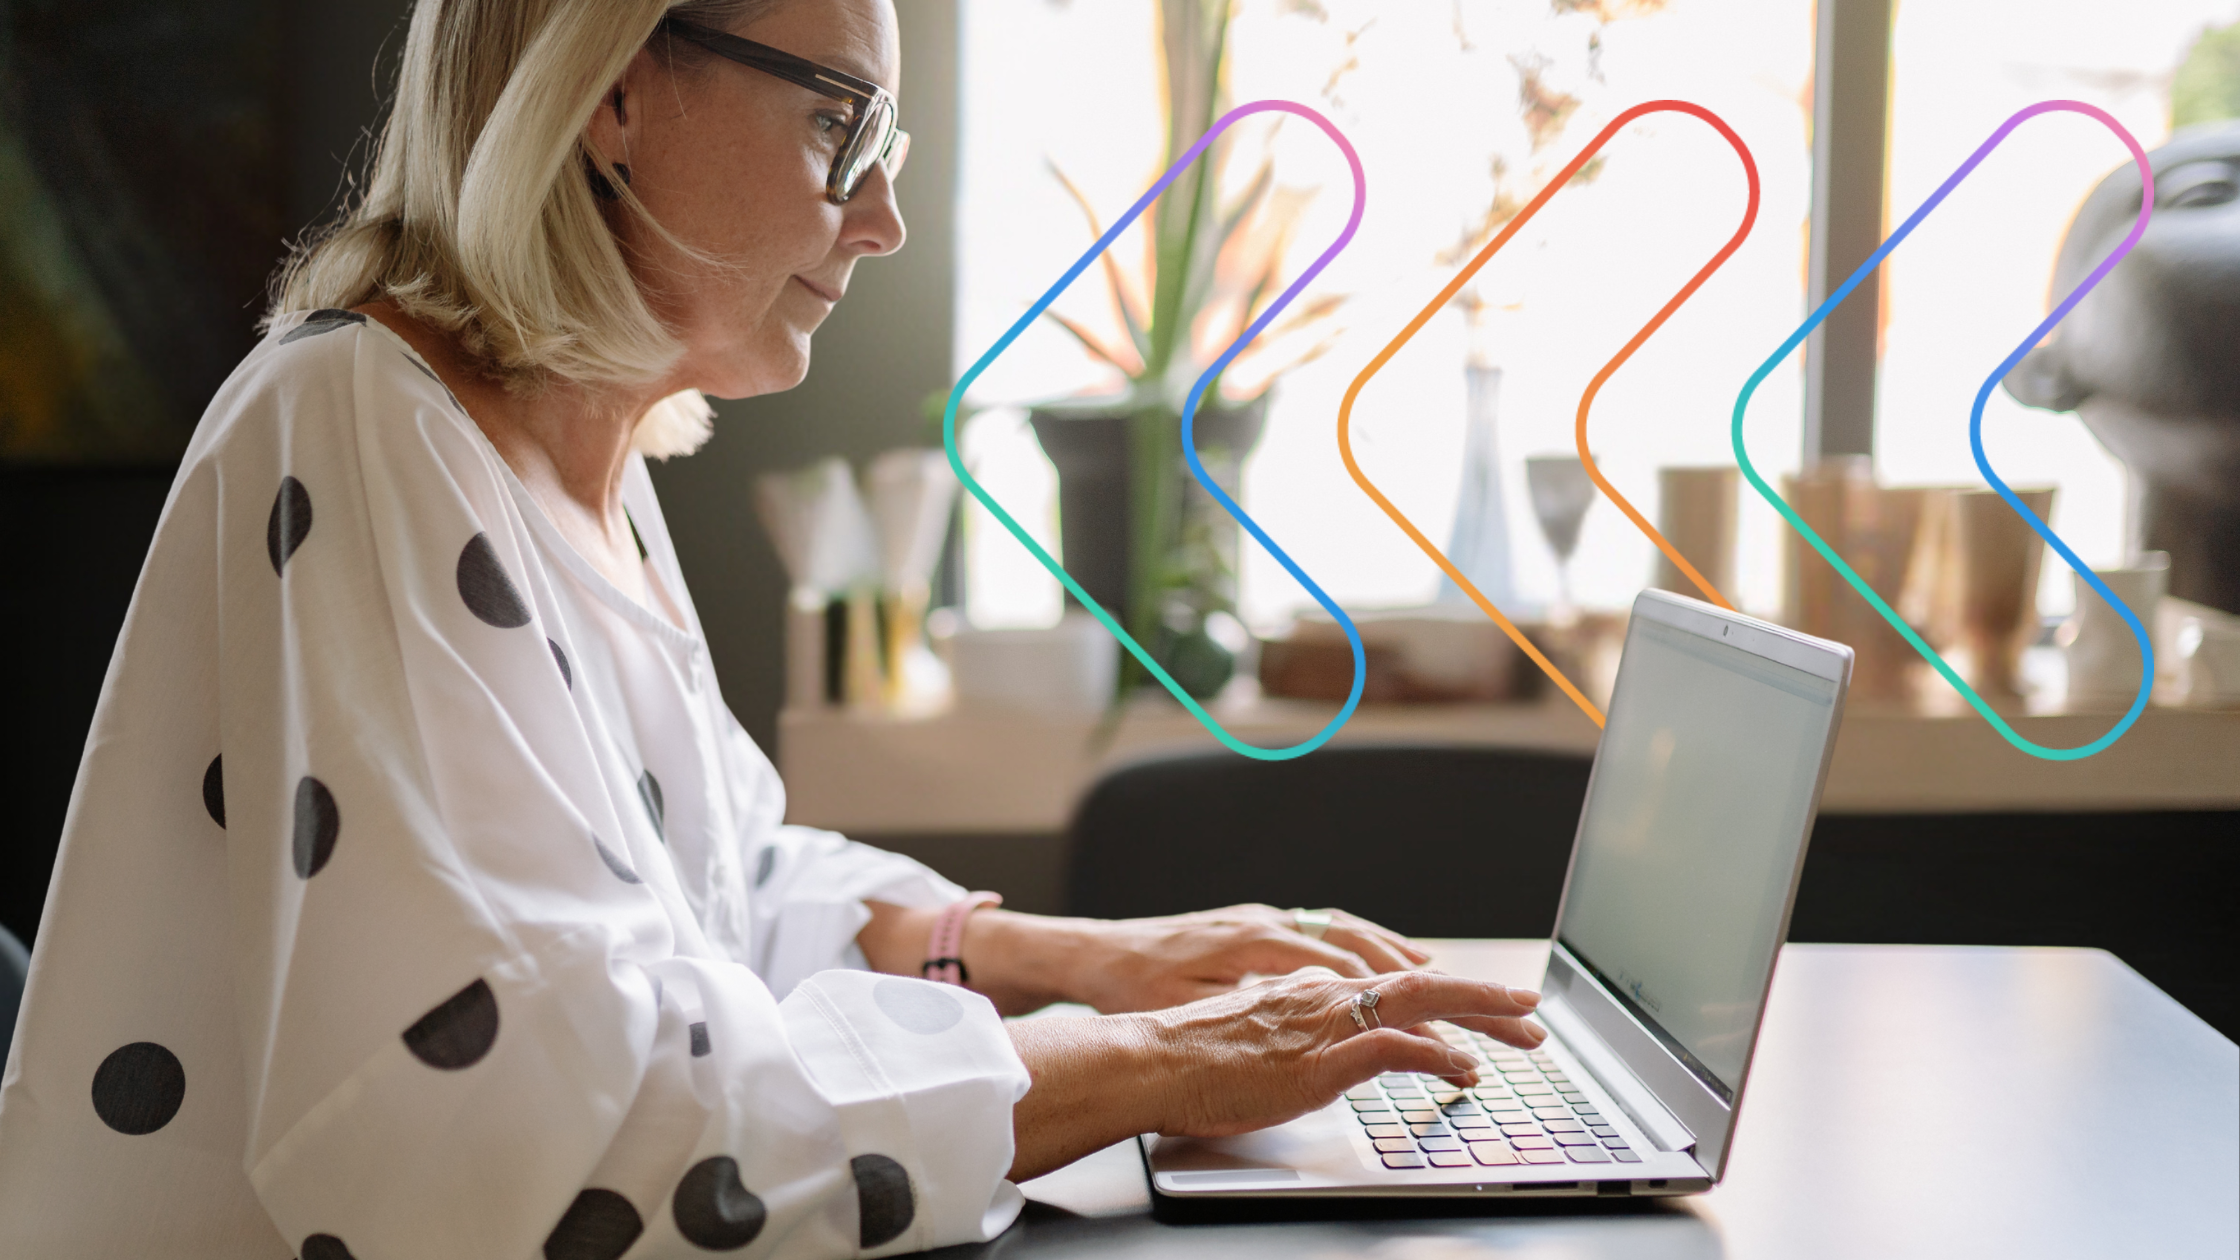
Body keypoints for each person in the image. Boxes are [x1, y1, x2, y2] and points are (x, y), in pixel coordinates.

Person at [0, 2, 1544, 1256]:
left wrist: (1076, 957)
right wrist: (1143, 1067)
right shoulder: (356, 420)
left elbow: (712, 903)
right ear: (608, 85)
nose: (879, 218)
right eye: (836, 123)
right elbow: (530, 1139)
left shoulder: (572, 454)